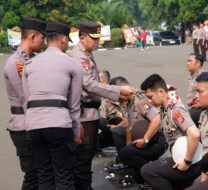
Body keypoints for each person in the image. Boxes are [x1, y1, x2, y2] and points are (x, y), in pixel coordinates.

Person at [70, 21, 134, 190]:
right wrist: (119, 90)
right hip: (84, 114)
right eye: (94, 38)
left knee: (86, 158)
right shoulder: (79, 57)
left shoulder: (86, 54)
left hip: (90, 113)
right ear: (82, 38)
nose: (97, 42)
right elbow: (90, 85)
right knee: (83, 159)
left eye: (98, 38)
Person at [22, 22, 83, 190]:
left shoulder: (29, 64)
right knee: (64, 176)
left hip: (33, 126)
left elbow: (26, 100)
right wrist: (76, 132)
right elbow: (74, 105)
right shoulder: (73, 65)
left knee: (45, 176)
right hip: (59, 124)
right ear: (64, 39)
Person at [3, 17, 46, 190]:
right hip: (23, 125)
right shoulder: (15, 63)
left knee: (42, 173)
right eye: (42, 38)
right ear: (33, 36)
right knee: (33, 174)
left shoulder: (35, 60)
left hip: (35, 123)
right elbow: (26, 97)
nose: (44, 42)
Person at [140, 74, 201, 190]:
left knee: (147, 171)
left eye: (150, 97)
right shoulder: (165, 107)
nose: (149, 101)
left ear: (161, 92)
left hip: (189, 163)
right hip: (180, 158)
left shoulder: (175, 110)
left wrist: (187, 162)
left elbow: (195, 134)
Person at [115, 82, 166, 188]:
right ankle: (146, 171)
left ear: (127, 92)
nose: (118, 99)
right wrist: (129, 147)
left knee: (126, 155)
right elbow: (130, 126)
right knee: (125, 154)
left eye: (120, 95)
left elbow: (156, 120)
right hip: (143, 140)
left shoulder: (140, 101)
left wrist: (145, 139)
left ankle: (153, 173)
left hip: (156, 140)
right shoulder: (127, 102)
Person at [186, 53, 205, 126]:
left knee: (183, 120)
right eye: (187, 61)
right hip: (194, 107)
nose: (187, 63)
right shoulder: (192, 75)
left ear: (198, 63)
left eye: (190, 61)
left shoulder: (203, 77)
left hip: (202, 109)